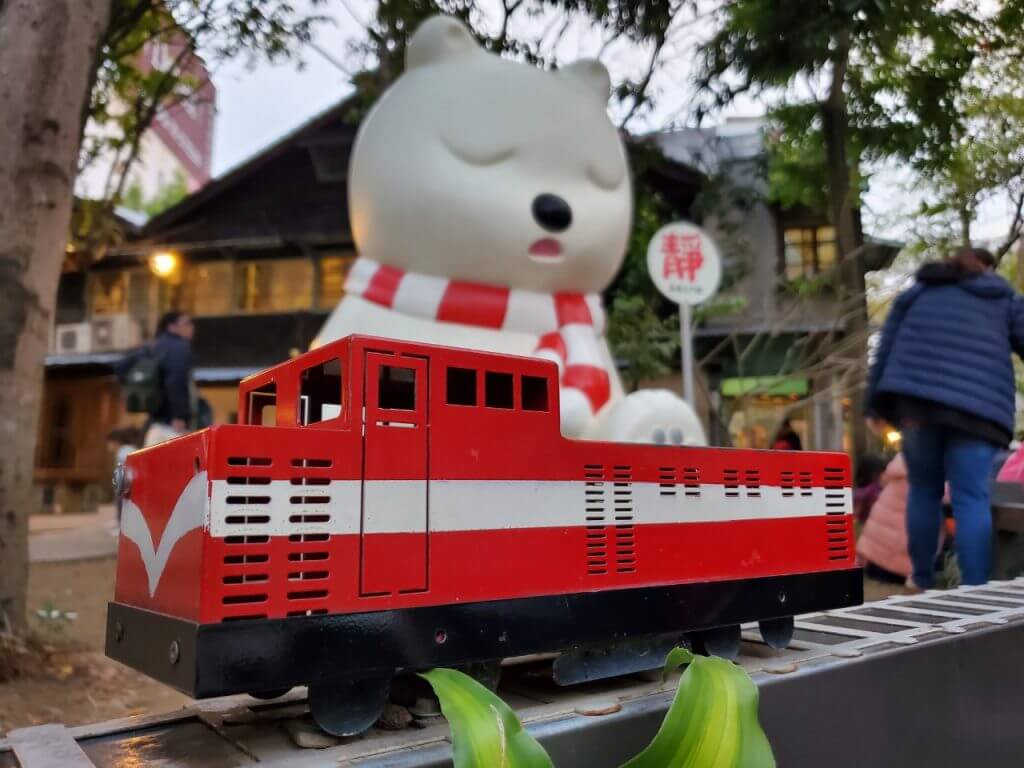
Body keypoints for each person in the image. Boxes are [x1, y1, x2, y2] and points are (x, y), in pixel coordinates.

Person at [866, 246, 1024, 587]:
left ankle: (922, 580)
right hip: (978, 411)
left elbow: (885, 347)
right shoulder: (1002, 298)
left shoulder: (918, 294)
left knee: (923, 491)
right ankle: (974, 589)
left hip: (919, 408)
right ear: (987, 269)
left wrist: (874, 407)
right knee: (971, 496)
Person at [144, 311, 197, 447]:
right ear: (172, 326)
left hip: (156, 421)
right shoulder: (178, 347)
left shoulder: (155, 346)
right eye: (186, 324)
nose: (191, 328)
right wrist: (178, 415)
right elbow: (175, 381)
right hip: (171, 425)